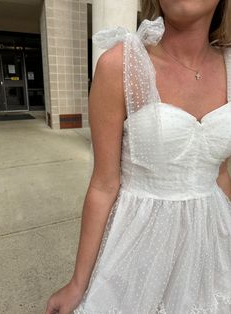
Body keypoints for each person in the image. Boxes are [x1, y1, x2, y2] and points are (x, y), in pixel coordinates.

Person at [45, 0, 231, 313]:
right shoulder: (122, 65)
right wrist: (78, 283)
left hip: (212, 244)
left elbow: (223, 175)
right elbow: (104, 184)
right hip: (138, 245)